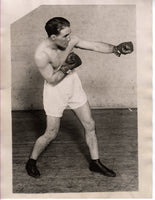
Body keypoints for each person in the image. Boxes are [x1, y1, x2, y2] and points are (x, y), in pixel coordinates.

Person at [26, 17, 133, 178]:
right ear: (53, 37)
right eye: (65, 36)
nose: (70, 38)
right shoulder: (42, 54)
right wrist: (68, 67)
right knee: (51, 133)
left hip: (73, 85)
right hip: (55, 91)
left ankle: (95, 162)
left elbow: (95, 46)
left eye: (70, 34)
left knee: (90, 124)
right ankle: (31, 161)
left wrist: (116, 48)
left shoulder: (70, 39)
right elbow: (52, 79)